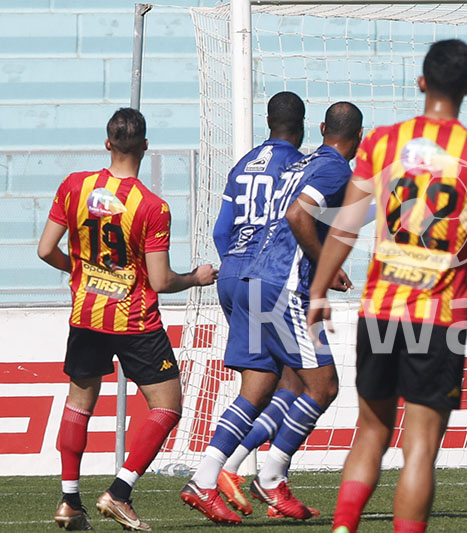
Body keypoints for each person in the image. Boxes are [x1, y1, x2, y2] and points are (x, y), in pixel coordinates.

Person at [307, 40, 467, 533]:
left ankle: (343, 527)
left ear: (421, 83)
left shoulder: (383, 142)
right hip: (438, 317)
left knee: (370, 432)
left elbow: (346, 225)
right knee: (420, 445)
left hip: (380, 307)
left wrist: (320, 289)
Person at [181, 101, 363, 524]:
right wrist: (325, 266)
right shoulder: (333, 168)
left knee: (263, 384)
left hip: (249, 277)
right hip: (282, 287)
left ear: (321, 128)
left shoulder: (300, 163)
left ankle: (207, 478)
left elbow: (237, 226)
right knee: (322, 386)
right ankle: (271, 475)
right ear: (359, 137)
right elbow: (298, 215)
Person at [38, 107, 217, 531]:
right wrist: (196, 277)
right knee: (167, 405)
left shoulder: (75, 186)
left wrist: (81, 272)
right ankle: (119, 492)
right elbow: (160, 279)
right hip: (134, 320)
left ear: (107, 143)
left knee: (79, 403)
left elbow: (45, 250)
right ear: (146, 146)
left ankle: (68, 502)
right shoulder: (152, 207)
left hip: (86, 314)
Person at [197, 91, 308, 519]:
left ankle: (239, 472)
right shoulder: (297, 166)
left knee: (273, 381)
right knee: (303, 382)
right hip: (269, 279)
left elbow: (222, 230)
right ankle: (231, 471)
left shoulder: (242, 165)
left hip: (232, 275)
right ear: (301, 125)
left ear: (266, 120)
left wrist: (236, 270)